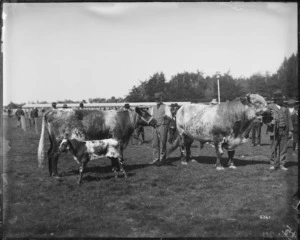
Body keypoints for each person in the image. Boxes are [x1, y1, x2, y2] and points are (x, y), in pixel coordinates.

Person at [266, 90, 293, 170]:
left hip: (284, 130)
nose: (282, 100)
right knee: (273, 147)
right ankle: (272, 164)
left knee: (283, 148)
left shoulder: (285, 107)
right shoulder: (270, 107)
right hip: (274, 131)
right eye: (280, 99)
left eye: (282, 99)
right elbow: (265, 119)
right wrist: (270, 122)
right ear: (276, 99)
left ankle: (282, 164)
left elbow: (289, 119)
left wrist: (291, 130)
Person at [149, 92, 172, 166]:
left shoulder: (166, 107)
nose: (157, 100)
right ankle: (156, 159)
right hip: (155, 127)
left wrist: (166, 116)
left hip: (163, 126)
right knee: (155, 143)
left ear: (161, 98)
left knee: (162, 143)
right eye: (156, 99)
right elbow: (151, 117)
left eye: (158, 98)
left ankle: (162, 159)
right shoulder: (153, 107)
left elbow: (170, 117)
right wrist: (152, 121)